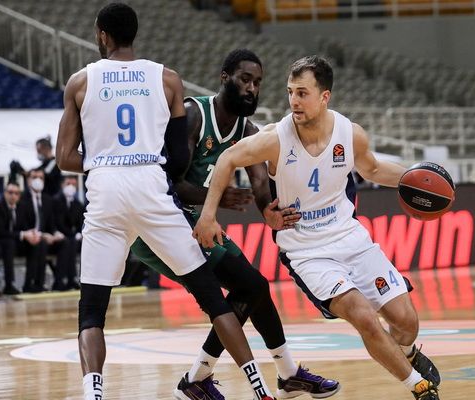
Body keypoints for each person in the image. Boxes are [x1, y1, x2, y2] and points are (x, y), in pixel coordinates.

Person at [56, 4, 276, 400]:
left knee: (92, 310)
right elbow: (176, 161)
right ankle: (261, 390)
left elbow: (64, 158)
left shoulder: (80, 81)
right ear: (134, 35)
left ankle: (93, 394)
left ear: (102, 34)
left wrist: (104, 158)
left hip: (106, 190)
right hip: (151, 188)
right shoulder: (167, 79)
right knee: (213, 299)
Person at [193, 56, 441, 400]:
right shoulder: (275, 138)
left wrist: (414, 180)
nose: (294, 101)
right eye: (290, 92)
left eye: (302, 93)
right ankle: (419, 387)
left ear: (324, 97)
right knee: (364, 317)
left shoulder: (349, 134)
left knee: (406, 322)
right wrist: (208, 216)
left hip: (351, 238)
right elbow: (227, 159)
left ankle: (409, 352)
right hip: (307, 251)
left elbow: (372, 169)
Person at [129, 49, 340, 400]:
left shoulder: (248, 130)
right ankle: (205, 378)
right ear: (225, 78)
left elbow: (260, 185)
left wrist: (270, 213)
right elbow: (167, 183)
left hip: (193, 221)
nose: (251, 88)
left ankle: (281, 375)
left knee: (255, 287)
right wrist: (218, 197)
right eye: (245, 79)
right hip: (158, 222)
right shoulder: (195, 115)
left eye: (257, 82)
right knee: (249, 287)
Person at [16, 168, 72, 293]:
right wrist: (42, 235)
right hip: (27, 239)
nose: (38, 180)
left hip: (45, 238)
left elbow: (51, 224)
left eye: (41, 178)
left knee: (65, 242)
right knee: (40, 242)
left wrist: (55, 233)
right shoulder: (22, 198)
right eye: (34, 177)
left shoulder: (47, 199)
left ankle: (59, 282)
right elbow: (22, 224)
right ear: (28, 180)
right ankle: (33, 284)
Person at [52, 175, 84, 290]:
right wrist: (72, 234)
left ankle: (73, 279)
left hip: (72, 237)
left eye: (73, 184)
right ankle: (60, 280)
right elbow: (58, 222)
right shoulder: (56, 201)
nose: (71, 187)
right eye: (68, 184)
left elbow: (81, 222)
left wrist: (79, 233)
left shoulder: (78, 204)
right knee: (68, 243)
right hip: (59, 236)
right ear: (62, 185)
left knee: (73, 243)